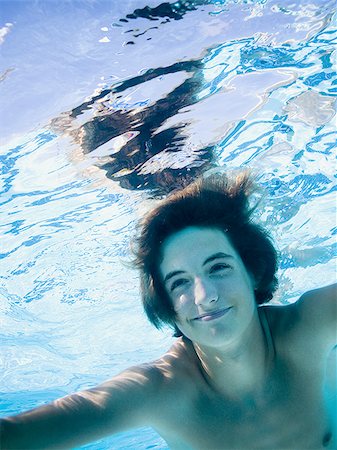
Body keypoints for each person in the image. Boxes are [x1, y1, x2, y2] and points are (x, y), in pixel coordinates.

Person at [1, 171, 336, 450]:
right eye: (179, 284)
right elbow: (15, 436)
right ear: (167, 307)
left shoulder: (311, 324)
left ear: (252, 271)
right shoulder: (159, 392)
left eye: (218, 267)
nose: (206, 296)